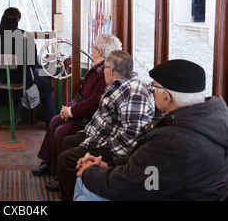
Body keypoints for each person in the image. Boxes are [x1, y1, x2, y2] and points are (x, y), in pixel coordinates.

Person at [74, 59, 228, 201]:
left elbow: (134, 186)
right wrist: (110, 167)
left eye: (153, 86)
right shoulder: (214, 119)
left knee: (83, 184)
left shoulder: (171, 140)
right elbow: (151, 174)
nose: (151, 90)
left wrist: (90, 172)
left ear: (166, 97)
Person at [56, 50, 155, 200]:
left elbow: (133, 134)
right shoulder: (117, 85)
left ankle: (72, 194)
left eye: (104, 69)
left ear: (110, 70)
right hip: (99, 135)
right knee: (68, 141)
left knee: (65, 160)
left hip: (111, 147)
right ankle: (75, 188)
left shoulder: (134, 93)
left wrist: (106, 150)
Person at [32, 33, 122, 190]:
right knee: (54, 121)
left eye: (93, 48)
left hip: (88, 118)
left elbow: (93, 104)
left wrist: (71, 112)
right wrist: (67, 109)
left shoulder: (103, 74)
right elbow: (82, 96)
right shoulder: (96, 70)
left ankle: (61, 176)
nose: (92, 50)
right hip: (81, 112)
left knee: (61, 132)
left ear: (99, 52)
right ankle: (49, 162)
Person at [0, 7, 56, 127]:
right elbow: (33, 63)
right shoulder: (24, 36)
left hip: (2, 79)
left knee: (24, 82)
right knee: (46, 88)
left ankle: (22, 118)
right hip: (23, 80)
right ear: (18, 19)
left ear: (3, 17)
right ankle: (51, 123)